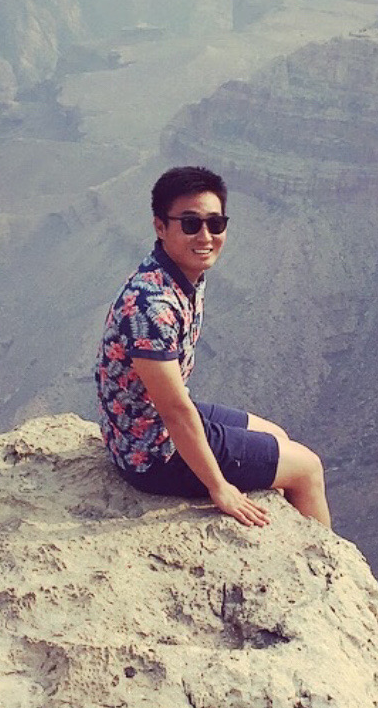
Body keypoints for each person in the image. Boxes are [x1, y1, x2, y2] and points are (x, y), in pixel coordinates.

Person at [95, 166, 331, 529]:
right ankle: (325, 576)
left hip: (145, 427)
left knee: (275, 437)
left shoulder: (176, 272)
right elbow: (175, 412)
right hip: (153, 454)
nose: (205, 236)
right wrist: (219, 487)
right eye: (190, 224)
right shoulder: (151, 307)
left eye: (215, 223)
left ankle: (290, 529)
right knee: (308, 469)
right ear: (161, 226)